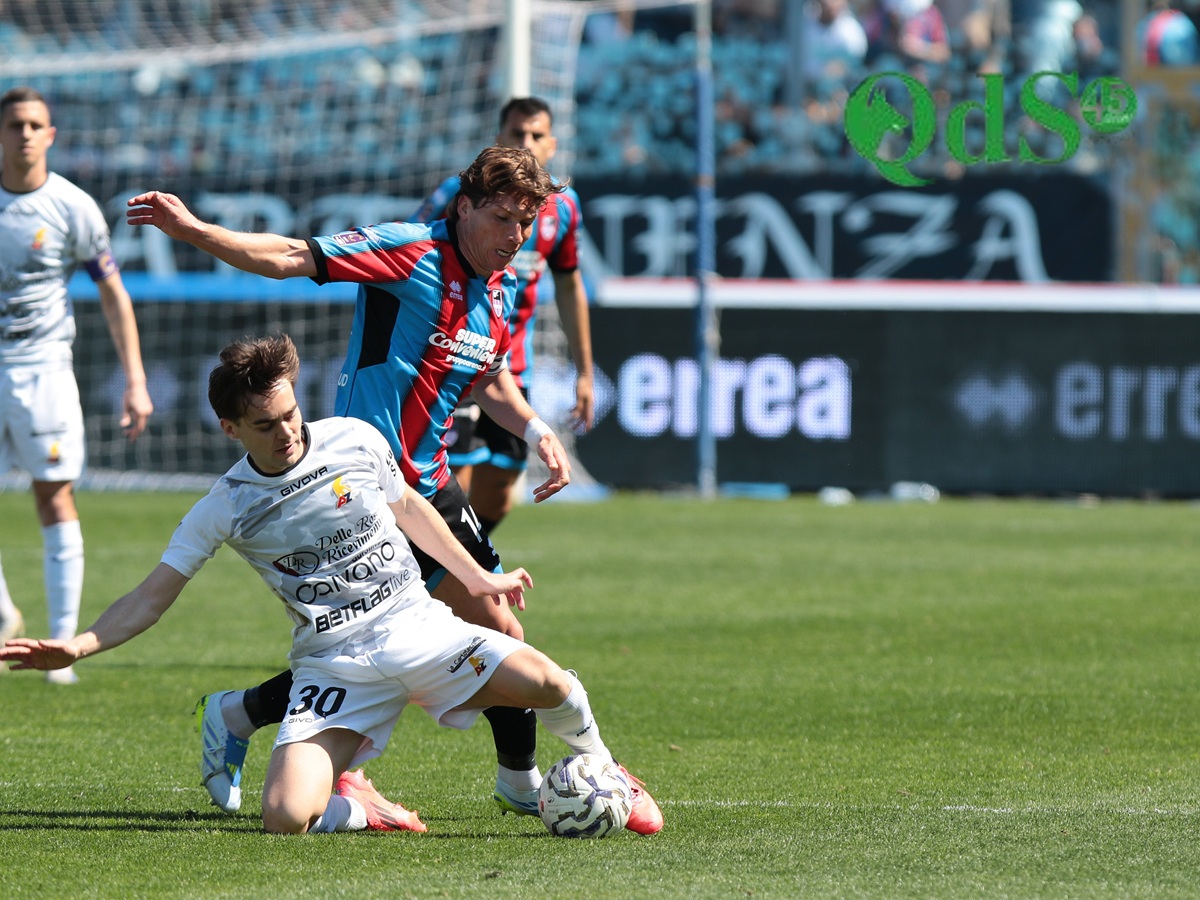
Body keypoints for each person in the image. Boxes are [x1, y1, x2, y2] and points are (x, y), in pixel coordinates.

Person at [125, 146, 660, 834]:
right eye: (501, 219)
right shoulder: (408, 255)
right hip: (358, 487)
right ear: (462, 207)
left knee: (447, 636)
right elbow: (290, 255)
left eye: (525, 225)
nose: (513, 237)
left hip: (429, 486)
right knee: (438, 638)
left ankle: (243, 715)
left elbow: (488, 377)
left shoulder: (496, 290)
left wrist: (534, 428)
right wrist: (195, 231)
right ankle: (537, 782)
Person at [0, 334, 662, 836]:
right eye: (265, 425)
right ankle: (359, 808)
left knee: (551, 684)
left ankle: (608, 774)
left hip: (417, 628)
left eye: (289, 414)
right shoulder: (224, 505)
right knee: (284, 816)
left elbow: (412, 513)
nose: (287, 432)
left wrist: (478, 576)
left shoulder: (352, 439)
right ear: (231, 429)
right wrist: (80, 646)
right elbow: (151, 595)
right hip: (334, 665)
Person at [0, 86, 154, 683]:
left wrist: (135, 381)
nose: (26, 134)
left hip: (43, 370)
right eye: (15, 124)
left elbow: (113, 291)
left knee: (54, 495)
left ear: (52, 135)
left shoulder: (72, 207)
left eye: (36, 124)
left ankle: (59, 650)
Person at [411, 96, 594, 534]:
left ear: (551, 144)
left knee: (496, 496)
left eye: (536, 135)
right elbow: (413, 254)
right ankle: (445, 581)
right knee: (452, 489)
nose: (527, 143)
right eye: (517, 134)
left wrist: (584, 370)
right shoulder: (460, 196)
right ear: (500, 139)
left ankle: (454, 570)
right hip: (452, 360)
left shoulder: (563, 210)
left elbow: (570, 284)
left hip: (511, 368)